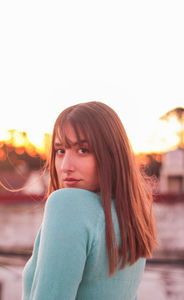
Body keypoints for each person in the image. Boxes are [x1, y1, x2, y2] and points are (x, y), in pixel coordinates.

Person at [22, 101, 158, 300]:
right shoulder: (132, 215)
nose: (65, 166)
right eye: (60, 151)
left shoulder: (67, 204)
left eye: (83, 150)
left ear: (111, 155)